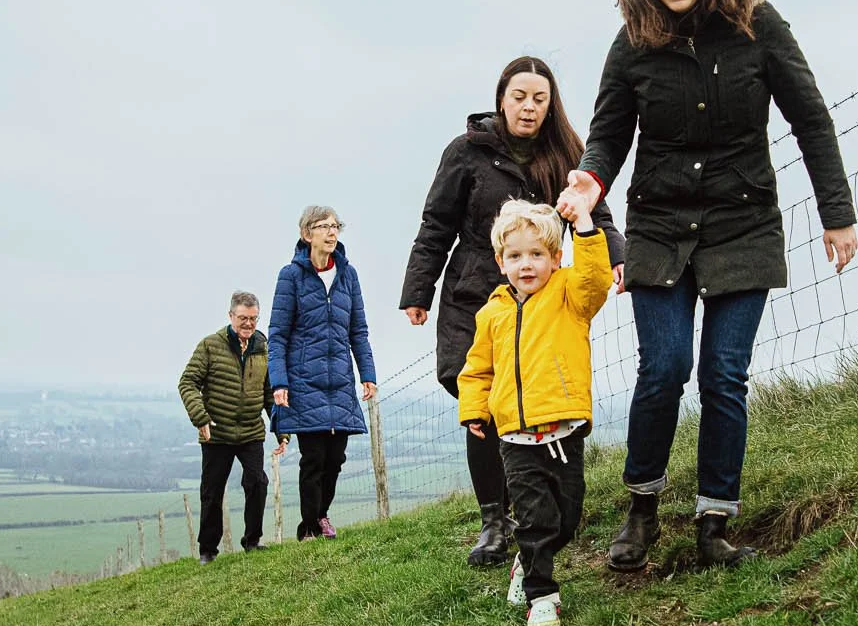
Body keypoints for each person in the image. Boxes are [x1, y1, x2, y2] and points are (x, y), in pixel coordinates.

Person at [557, 0, 858, 572]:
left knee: (723, 374)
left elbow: (811, 118)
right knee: (665, 367)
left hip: (742, 222)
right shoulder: (632, 42)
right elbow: (608, 135)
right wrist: (590, 181)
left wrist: (835, 212)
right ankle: (641, 508)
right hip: (661, 225)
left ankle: (714, 522)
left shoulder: (759, 25)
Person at [399, 56, 624, 568]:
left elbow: (598, 212)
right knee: (479, 400)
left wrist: (616, 255)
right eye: (519, 96)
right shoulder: (466, 151)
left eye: (539, 99)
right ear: (501, 99)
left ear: (551, 104)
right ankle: (494, 521)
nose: (529, 107)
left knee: (526, 398)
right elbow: (436, 224)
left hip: (540, 302)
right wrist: (419, 290)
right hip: (474, 294)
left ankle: (534, 504)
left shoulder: (567, 153)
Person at [457, 200, 614, 626]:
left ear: (555, 257)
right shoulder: (491, 314)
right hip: (515, 438)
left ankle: (527, 561)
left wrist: (585, 226)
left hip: (565, 429)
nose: (526, 264)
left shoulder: (569, 295)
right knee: (533, 519)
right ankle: (542, 595)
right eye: (515, 255)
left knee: (567, 518)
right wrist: (475, 410)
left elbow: (596, 279)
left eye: (537, 254)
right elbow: (478, 370)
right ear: (500, 262)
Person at [269, 205, 377, 540]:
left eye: (335, 226)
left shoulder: (348, 275)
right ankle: (310, 527)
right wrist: (279, 382)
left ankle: (321, 515)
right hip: (304, 381)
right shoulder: (291, 276)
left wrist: (367, 373)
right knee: (313, 457)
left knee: (336, 458)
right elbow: (278, 335)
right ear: (307, 234)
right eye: (324, 226)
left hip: (340, 380)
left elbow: (358, 330)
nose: (332, 232)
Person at [177, 292, 285, 563]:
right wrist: (200, 418)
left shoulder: (263, 347)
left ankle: (253, 541)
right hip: (217, 432)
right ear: (231, 316)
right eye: (243, 318)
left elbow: (269, 393)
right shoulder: (210, 345)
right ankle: (208, 551)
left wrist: (281, 430)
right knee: (212, 491)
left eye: (253, 318)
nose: (248, 323)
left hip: (250, 430)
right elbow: (187, 382)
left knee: (258, 483)